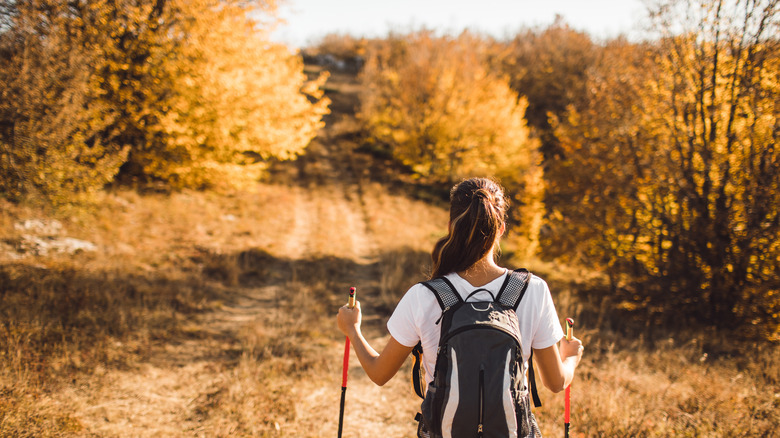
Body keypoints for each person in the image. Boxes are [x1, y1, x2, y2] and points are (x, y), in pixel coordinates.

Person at [337, 177, 584, 434]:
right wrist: (572, 357)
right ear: (500, 229)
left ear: (451, 226)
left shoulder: (424, 295)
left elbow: (379, 374)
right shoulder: (533, 290)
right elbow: (555, 382)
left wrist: (353, 330)